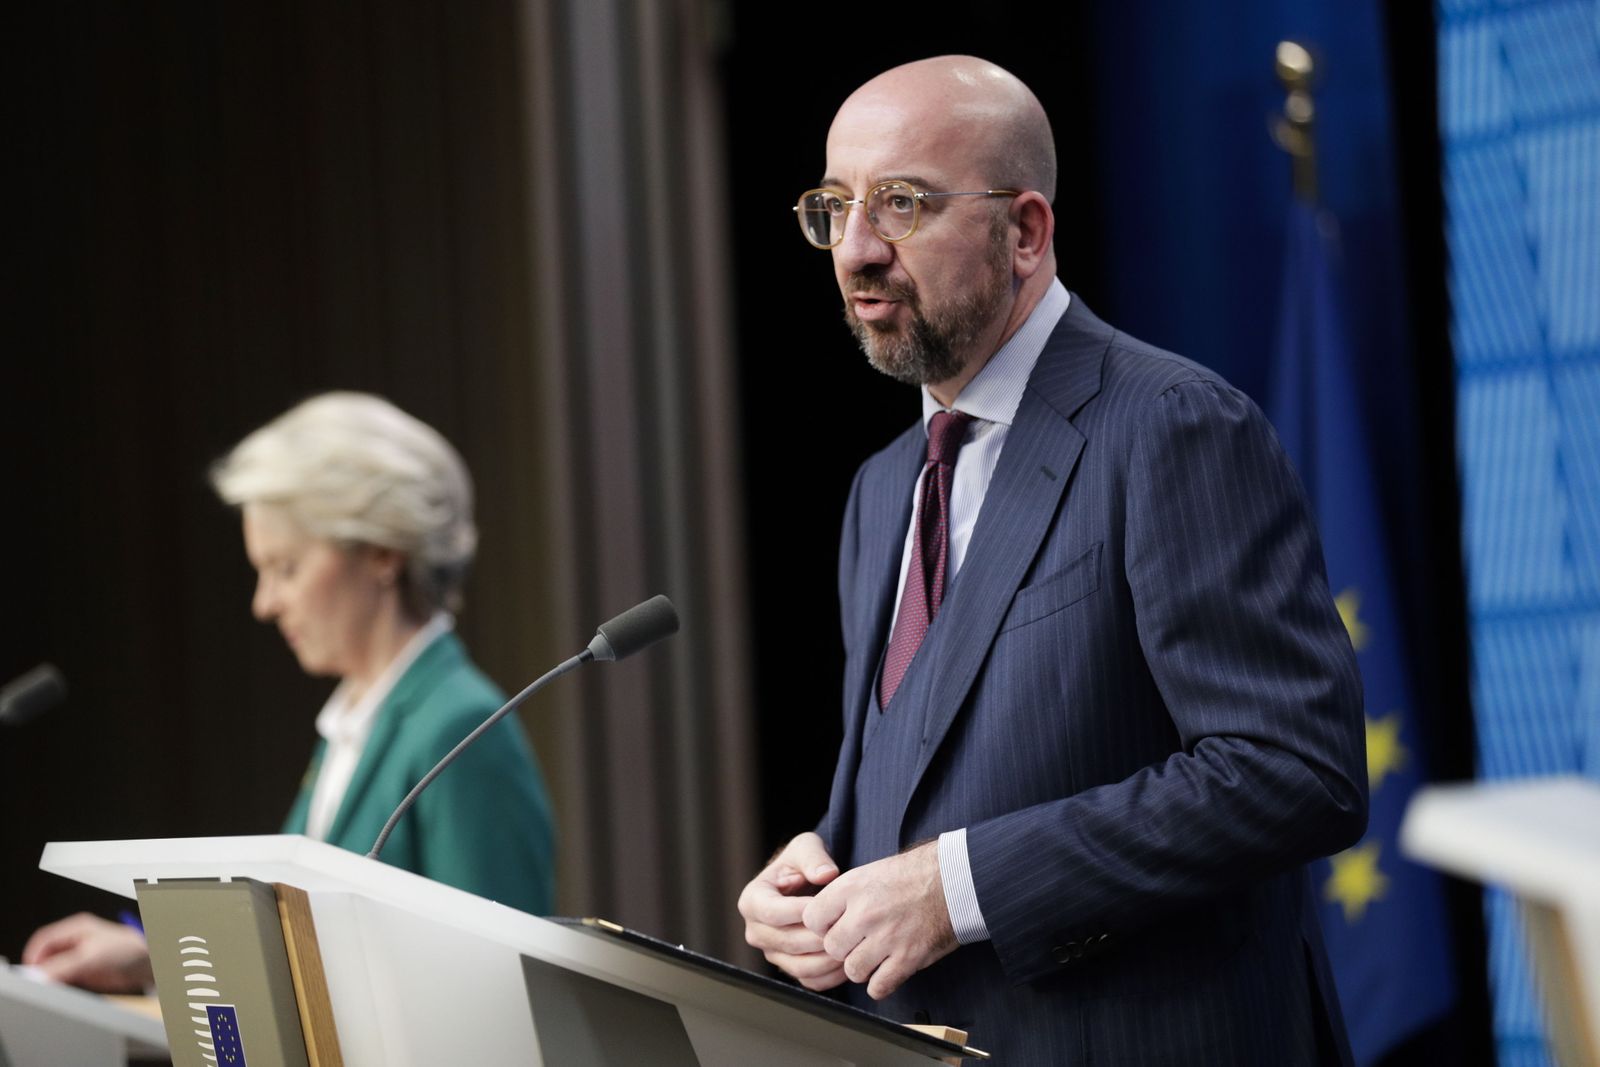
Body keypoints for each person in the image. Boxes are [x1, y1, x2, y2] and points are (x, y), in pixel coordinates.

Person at [738, 57, 1369, 1064]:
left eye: (899, 203)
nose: (855, 250)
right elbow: (932, 779)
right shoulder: (879, 488)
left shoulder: (1169, 426)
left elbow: (1295, 769)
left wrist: (957, 887)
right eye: (834, 206)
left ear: (1024, 231)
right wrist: (820, 877)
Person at [24, 392, 555, 992]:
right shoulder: (355, 725)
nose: (264, 602)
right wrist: (152, 954)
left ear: (381, 551)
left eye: (286, 568)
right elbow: (305, 942)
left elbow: (501, 990)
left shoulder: (460, 725)